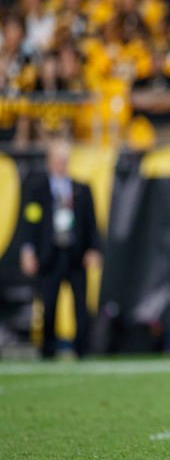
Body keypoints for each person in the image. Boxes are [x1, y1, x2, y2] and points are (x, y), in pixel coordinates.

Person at [19, 139, 102, 359]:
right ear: (49, 162)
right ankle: (48, 348)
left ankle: (82, 349)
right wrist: (28, 250)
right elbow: (29, 222)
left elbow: (92, 223)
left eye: (64, 160)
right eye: (57, 160)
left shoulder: (80, 189)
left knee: (80, 306)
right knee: (49, 304)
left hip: (75, 253)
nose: (61, 165)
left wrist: (94, 249)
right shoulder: (38, 189)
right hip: (50, 255)